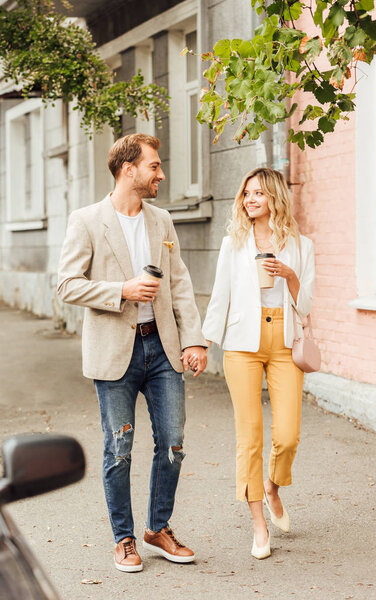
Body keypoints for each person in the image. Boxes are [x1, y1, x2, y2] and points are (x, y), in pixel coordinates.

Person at [57, 133, 207, 572]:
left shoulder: (162, 220)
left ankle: (157, 528)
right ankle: (123, 538)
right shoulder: (86, 220)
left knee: (173, 445)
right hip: (114, 351)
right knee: (119, 449)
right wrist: (120, 290)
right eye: (154, 166)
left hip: (162, 348)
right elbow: (66, 283)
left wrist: (193, 338)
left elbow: (178, 282)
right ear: (129, 170)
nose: (160, 174)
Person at [201, 167, 315, 559]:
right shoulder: (233, 243)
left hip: (284, 339)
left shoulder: (301, 245)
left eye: (259, 194)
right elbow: (220, 296)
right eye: (246, 193)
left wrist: (289, 275)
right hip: (242, 343)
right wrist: (203, 343)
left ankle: (273, 486)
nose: (250, 200)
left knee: (288, 435)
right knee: (248, 437)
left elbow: (308, 305)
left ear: (275, 198)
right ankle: (258, 524)